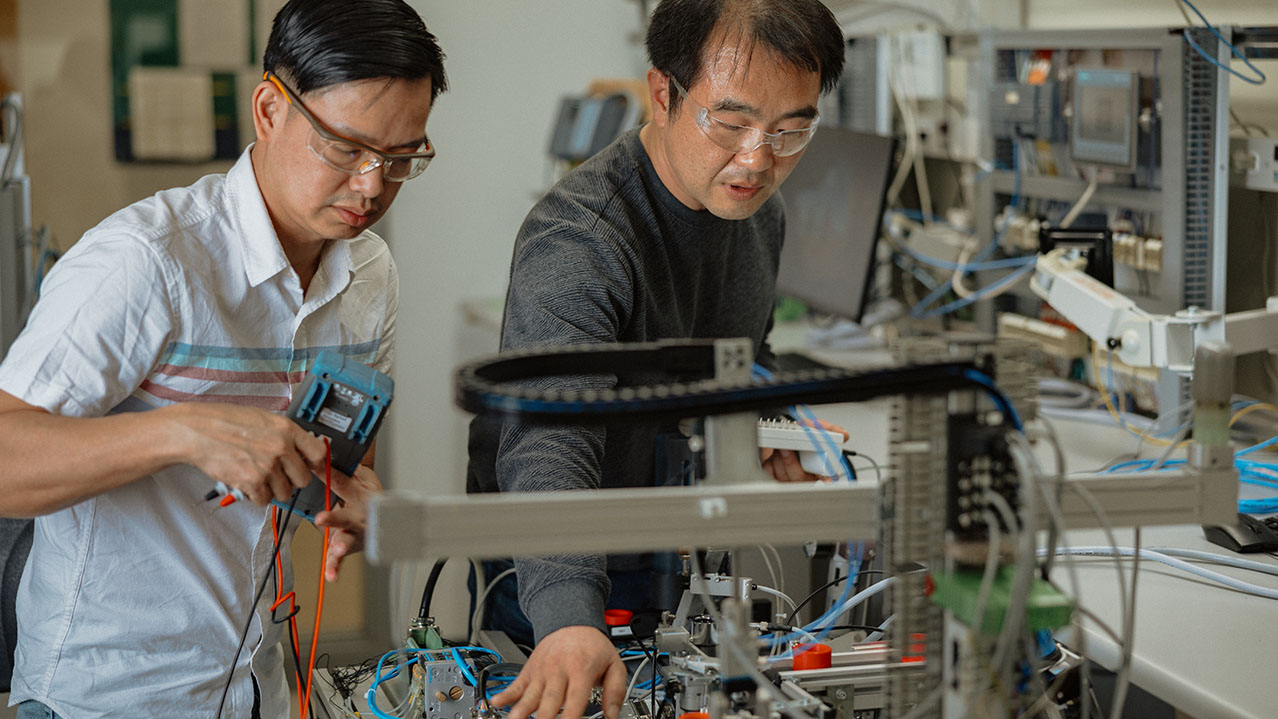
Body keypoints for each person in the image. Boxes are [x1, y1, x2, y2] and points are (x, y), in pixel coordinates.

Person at [0, 1, 446, 716]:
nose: (371, 185)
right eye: (347, 149)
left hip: (252, 686)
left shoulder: (371, 274)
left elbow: (338, 459)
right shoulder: (147, 260)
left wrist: (360, 502)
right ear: (270, 109)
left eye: (401, 159)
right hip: (107, 695)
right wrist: (182, 431)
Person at [466, 2, 846, 719]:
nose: (759, 158)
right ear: (664, 94)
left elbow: (744, 351)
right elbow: (551, 440)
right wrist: (569, 616)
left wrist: (769, 420)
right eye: (731, 124)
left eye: (791, 129)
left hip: (674, 553)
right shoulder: (581, 240)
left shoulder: (758, 211)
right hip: (555, 562)